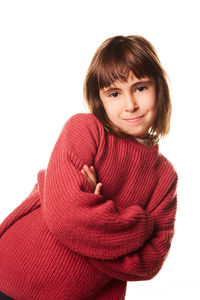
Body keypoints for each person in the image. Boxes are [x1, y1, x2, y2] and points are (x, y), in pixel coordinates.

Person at [0, 35, 178, 300]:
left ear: (159, 89)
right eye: (115, 93)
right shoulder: (85, 129)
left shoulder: (165, 176)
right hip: (12, 273)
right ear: (100, 99)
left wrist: (94, 209)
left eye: (140, 88)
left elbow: (150, 261)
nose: (130, 105)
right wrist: (141, 226)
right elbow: (66, 218)